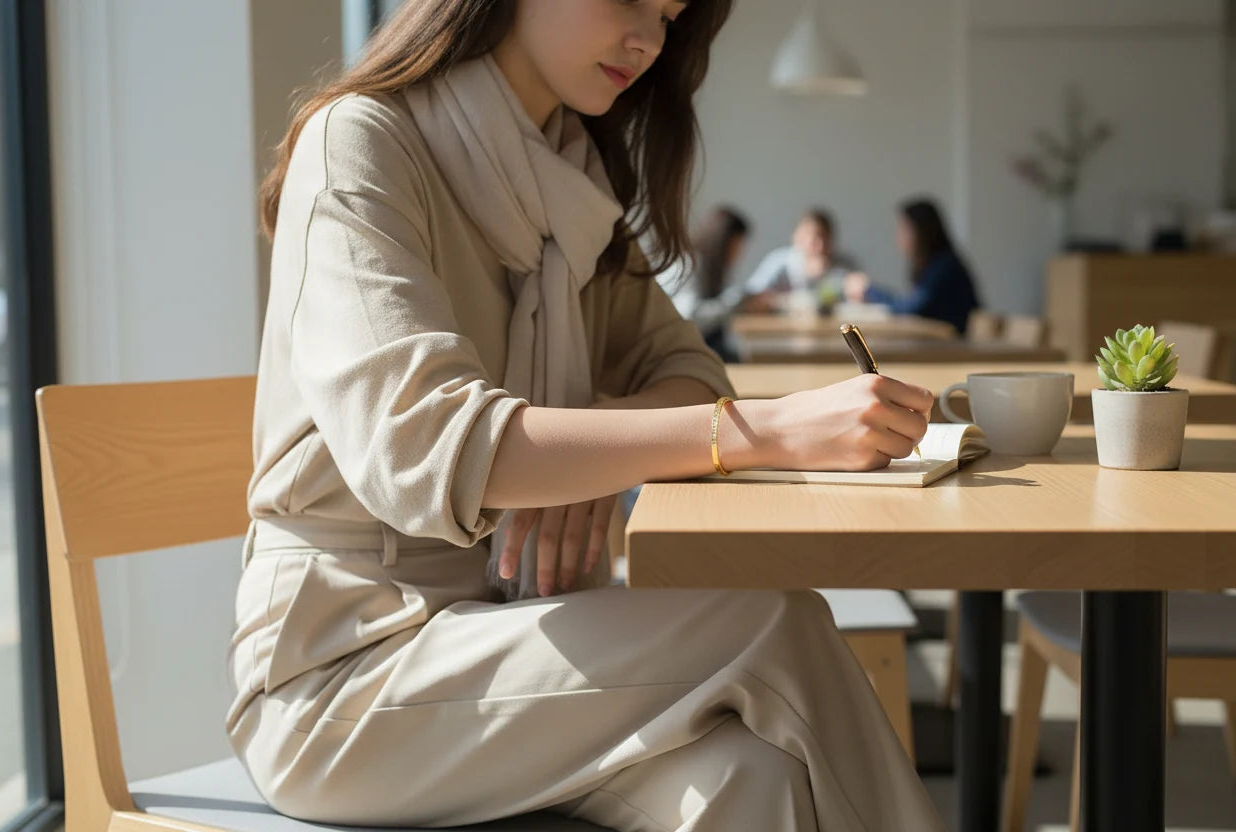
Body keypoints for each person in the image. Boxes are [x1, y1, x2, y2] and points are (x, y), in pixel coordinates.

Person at [227, 1, 943, 830]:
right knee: (775, 627)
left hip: (518, 636)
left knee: (756, 778)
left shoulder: (572, 183)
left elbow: (687, 371)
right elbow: (426, 443)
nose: (650, 39)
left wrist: (593, 447)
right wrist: (764, 431)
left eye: (670, 15)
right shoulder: (359, 142)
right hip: (346, 672)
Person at [845, 198, 981, 335]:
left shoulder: (945, 266)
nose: (899, 237)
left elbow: (911, 309)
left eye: (905, 229)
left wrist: (868, 290)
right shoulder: (934, 264)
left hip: (954, 344)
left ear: (923, 231)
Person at [659, 204, 750, 362]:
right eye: (737, 246)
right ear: (723, 242)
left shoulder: (713, 269)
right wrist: (735, 304)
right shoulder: (690, 265)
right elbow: (690, 317)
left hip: (696, 347)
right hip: (673, 352)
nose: (739, 253)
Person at [740, 207, 857, 314]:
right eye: (814, 237)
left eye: (826, 238)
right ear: (797, 237)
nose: (821, 246)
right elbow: (750, 296)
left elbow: (858, 298)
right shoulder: (779, 263)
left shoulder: (843, 266)